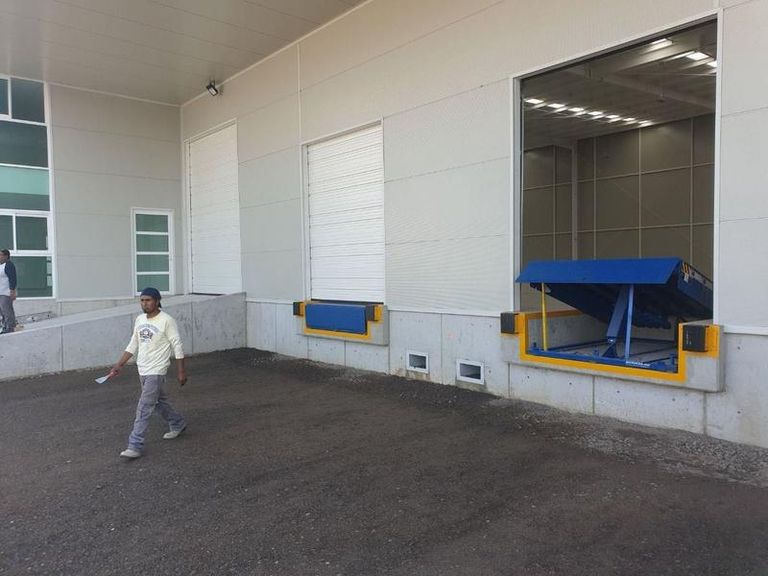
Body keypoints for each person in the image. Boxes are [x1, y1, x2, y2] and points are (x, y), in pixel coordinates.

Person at [109, 287, 188, 459]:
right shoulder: (140, 319)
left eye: (148, 300)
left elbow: (177, 345)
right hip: (142, 368)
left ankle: (135, 445)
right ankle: (177, 422)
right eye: (142, 300)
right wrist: (119, 365)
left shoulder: (167, 320)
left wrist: (181, 371)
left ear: (157, 301)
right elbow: (133, 344)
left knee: (144, 407)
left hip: (157, 370)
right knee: (158, 402)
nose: (145, 303)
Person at [0, 248, 17, 335]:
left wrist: (12, 291)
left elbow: (12, 278)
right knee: (1, 311)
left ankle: (10, 326)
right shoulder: (0, 265)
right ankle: (5, 326)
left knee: (6, 309)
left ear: (6, 256)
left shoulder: (9, 265)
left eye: (0, 255)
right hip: (0, 291)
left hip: (6, 292)